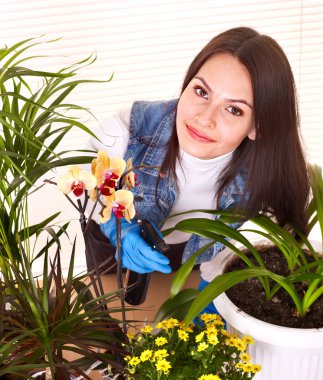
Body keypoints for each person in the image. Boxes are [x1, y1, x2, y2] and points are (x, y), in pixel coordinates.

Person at [86, 26, 310, 312]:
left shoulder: (262, 177)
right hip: (113, 247)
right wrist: (117, 228)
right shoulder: (129, 129)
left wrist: (212, 292)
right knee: (110, 319)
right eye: (202, 91)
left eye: (234, 110)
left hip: (190, 256)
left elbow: (236, 240)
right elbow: (79, 180)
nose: (205, 119)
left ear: (258, 126)